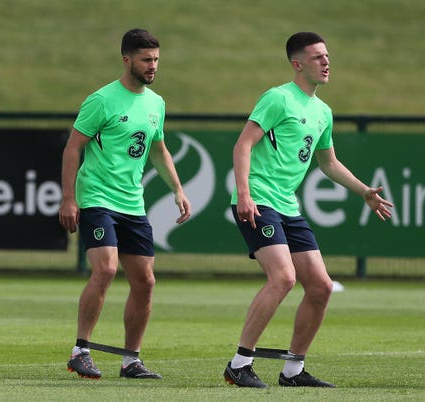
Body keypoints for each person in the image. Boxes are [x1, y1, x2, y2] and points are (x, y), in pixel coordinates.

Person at [223, 32, 393, 388]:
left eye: (327, 56)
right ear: (297, 64)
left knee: (321, 287)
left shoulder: (323, 113)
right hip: (259, 199)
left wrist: (364, 192)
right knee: (283, 278)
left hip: (287, 204)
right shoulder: (278, 98)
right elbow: (243, 145)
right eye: (318, 57)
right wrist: (243, 194)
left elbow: (328, 163)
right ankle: (239, 364)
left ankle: (293, 371)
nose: (327, 62)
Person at [59, 28, 191, 380]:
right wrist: (69, 198)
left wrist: (177, 189)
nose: (153, 66)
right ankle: (80, 351)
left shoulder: (156, 103)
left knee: (145, 281)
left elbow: (159, 150)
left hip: (133, 204)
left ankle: (131, 360)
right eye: (147, 60)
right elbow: (73, 147)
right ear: (127, 59)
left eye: (157, 60)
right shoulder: (102, 100)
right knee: (105, 269)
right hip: (97, 198)